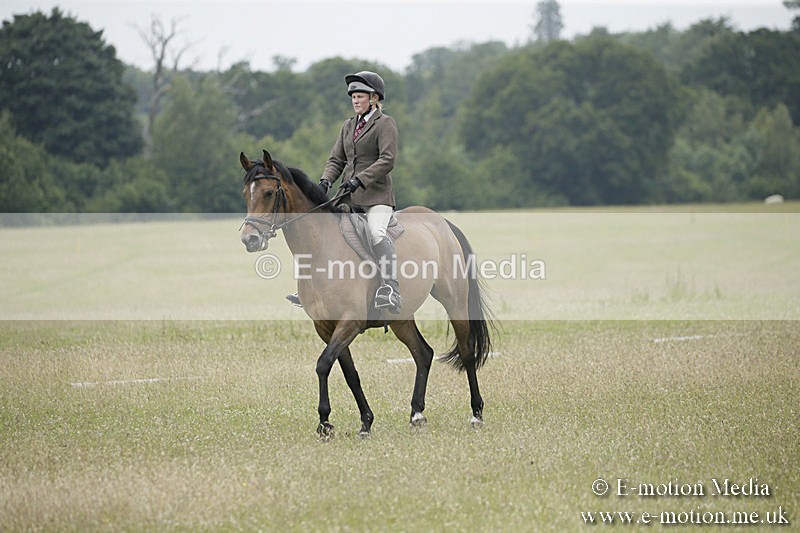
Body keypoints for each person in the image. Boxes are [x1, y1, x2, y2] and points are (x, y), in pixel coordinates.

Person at [318, 70, 402, 314]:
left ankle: (390, 289)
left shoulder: (385, 123)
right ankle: (315, 288)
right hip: (348, 197)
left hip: (377, 197)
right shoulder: (348, 125)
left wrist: (360, 180)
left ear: (374, 98)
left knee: (376, 233)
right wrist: (326, 180)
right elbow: (336, 159)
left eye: (360, 96)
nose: (355, 101)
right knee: (323, 233)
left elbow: (387, 160)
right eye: (353, 97)